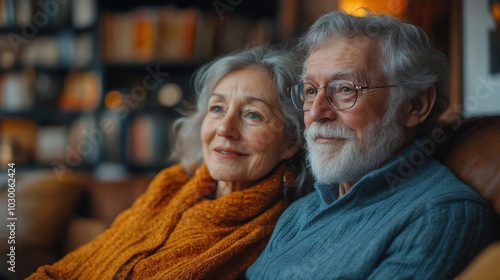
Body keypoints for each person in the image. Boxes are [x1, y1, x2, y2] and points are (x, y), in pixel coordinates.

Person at [247, 11, 500, 279]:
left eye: (344, 89)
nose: (316, 112)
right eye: (310, 90)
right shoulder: (302, 209)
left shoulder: (442, 216)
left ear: (416, 104)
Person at [29, 47, 312, 279]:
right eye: (217, 108)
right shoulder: (170, 185)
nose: (224, 128)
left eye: (253, 115)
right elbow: (74, 266)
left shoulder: (278, 232)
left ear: (290, 142)